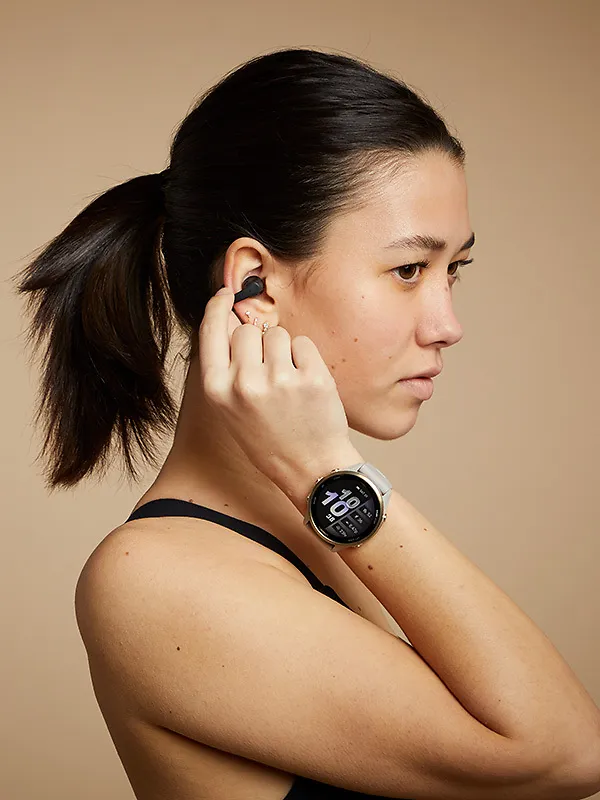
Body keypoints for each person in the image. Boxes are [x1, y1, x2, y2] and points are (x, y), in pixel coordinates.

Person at [14, 47, 600, 800]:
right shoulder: (152, 579)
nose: (448, 323)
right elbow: (565, 755)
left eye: (455, 269)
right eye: (409, 270)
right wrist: (326, 472)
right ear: (254, 283)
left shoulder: (299, 534)